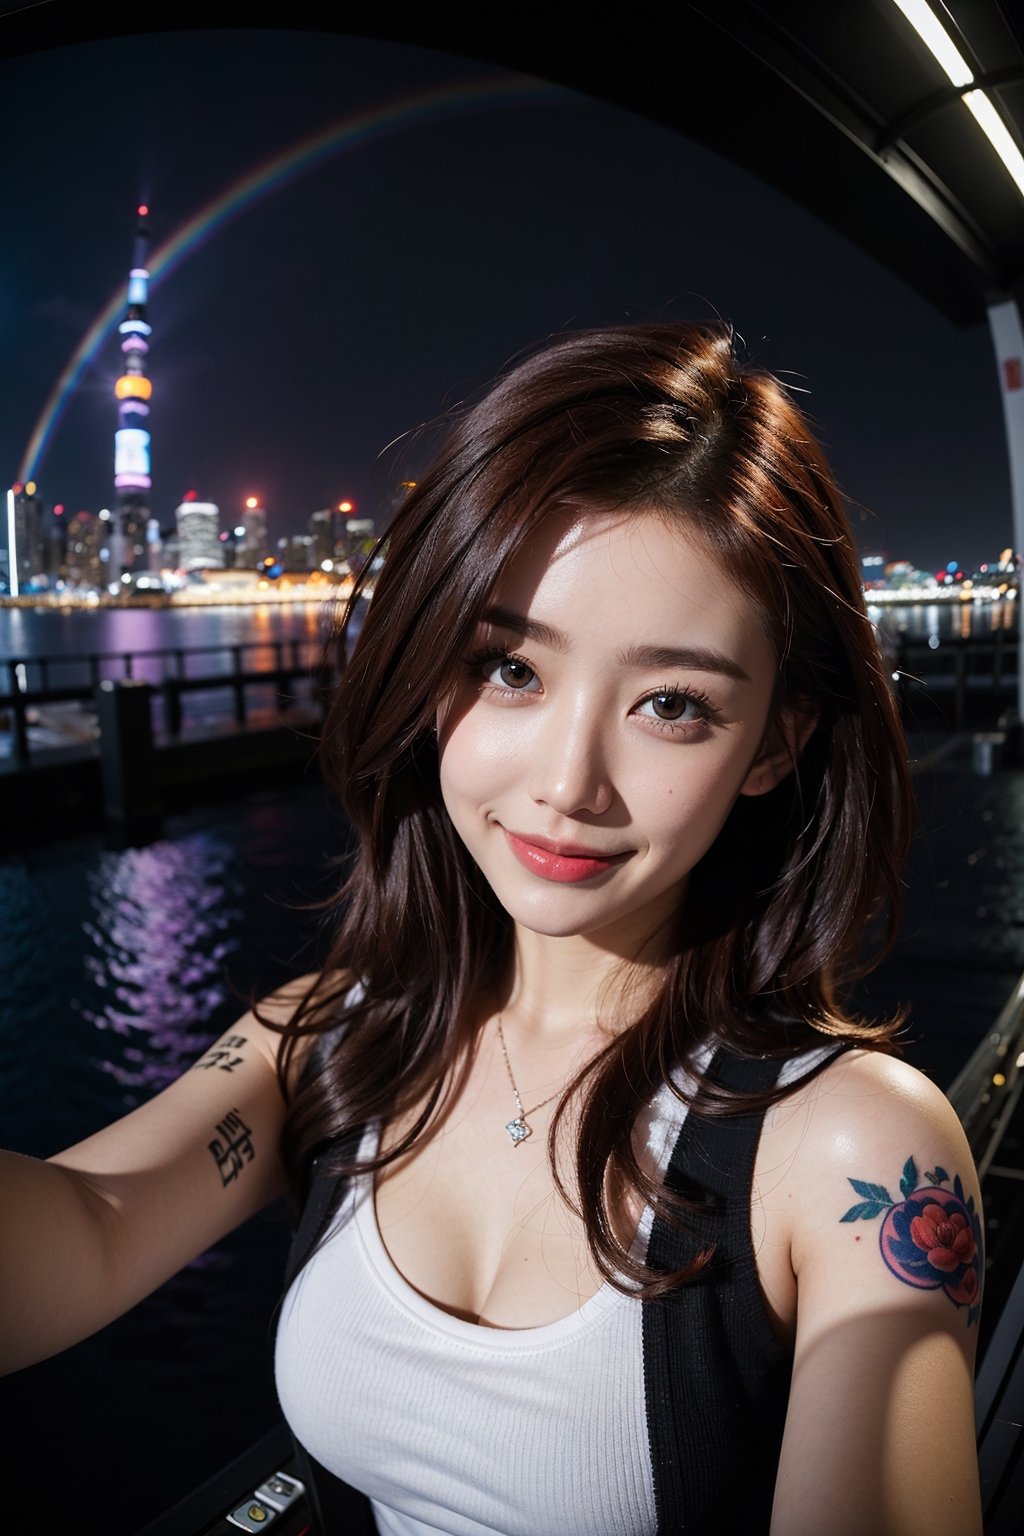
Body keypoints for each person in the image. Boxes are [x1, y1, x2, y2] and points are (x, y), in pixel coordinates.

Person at [1, 323, 984, 1535]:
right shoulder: (334, 1040)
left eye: (672, 704)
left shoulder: (852, 1153)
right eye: (510, 670)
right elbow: (88, 1227)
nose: (569, 782)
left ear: (775, 742)